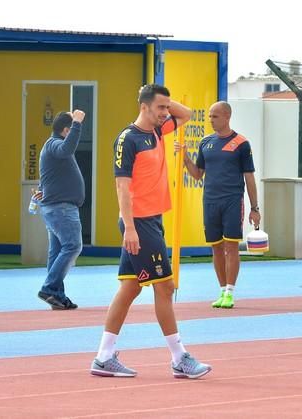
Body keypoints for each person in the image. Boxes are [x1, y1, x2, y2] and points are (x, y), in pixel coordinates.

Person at [90, 84, 212, 379]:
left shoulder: (157, 131)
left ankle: (104, 357)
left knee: (130, 287)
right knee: (165, 287)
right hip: (139, 222)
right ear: (143, 107)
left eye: (166, 107)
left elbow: (185, 114)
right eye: (159, 107)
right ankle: (179, 357)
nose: (165, 112)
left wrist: (164, 99)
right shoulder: (128, 139)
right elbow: (122, 186)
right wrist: (130, 228)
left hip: (153, 219)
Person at [175, 101, 260, 309]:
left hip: (232, 200)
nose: (211, 120)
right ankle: (222, 291)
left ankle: (230, 291)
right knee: (215, 247)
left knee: (231, 247)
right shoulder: (206, 142)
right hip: (210, 201)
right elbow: (197, 175)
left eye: (215, 116)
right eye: (209, 116)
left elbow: (249, 177)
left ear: (227, 116)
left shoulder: (241, 143)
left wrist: (254, 208)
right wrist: (185, 157)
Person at [35, 110, 86, 310]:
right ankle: (49, 288)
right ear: (66, 130)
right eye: (71, 127)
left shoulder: (52, 146)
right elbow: (67, 149)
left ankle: (57, 295)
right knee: (73, 246)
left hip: (57, 208)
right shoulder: (56, 144)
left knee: (56, 253)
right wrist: (78, 124)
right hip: (61, 209)